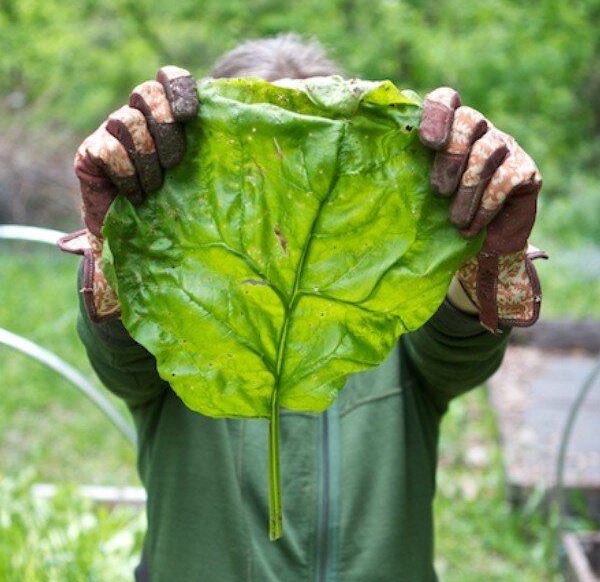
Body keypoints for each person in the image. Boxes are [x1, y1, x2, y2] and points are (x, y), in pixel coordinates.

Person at [59, 34, 545, 581]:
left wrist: (480, 246)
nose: (288, 185)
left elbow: (460, 347)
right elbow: (118, 349)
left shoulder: (388, 302)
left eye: (309, 152)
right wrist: (121, 244)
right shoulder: (178, 305)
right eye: (257, 159)